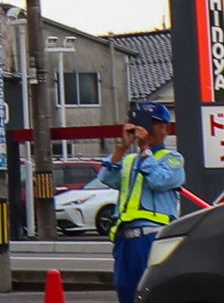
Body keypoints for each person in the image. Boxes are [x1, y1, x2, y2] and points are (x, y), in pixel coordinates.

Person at [85, 101, 184, 303]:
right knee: (126, 291)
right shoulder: (130, 160)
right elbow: (106, 177)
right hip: (124, 238)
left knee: (153, 292)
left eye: (153, 122)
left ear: (166, 128)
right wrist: (123, 147)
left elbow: (159, 181)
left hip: (152, 236)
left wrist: (146, 150)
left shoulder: (173, 158)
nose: (147, 126)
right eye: (142, 121)